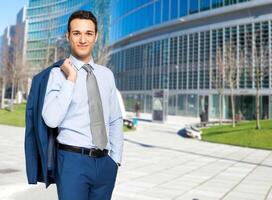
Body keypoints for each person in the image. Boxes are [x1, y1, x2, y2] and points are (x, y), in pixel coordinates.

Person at [24, 10, 123, 200]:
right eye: (77, 33)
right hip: (72, 162)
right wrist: (71, 79)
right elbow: (51, 120)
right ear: (68, 36)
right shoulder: (56, 75)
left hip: (105, 164)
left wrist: (115, 159)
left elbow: (115, 118)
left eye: (88, 33)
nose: (83, 39)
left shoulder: (106, 75)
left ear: (96, 36)